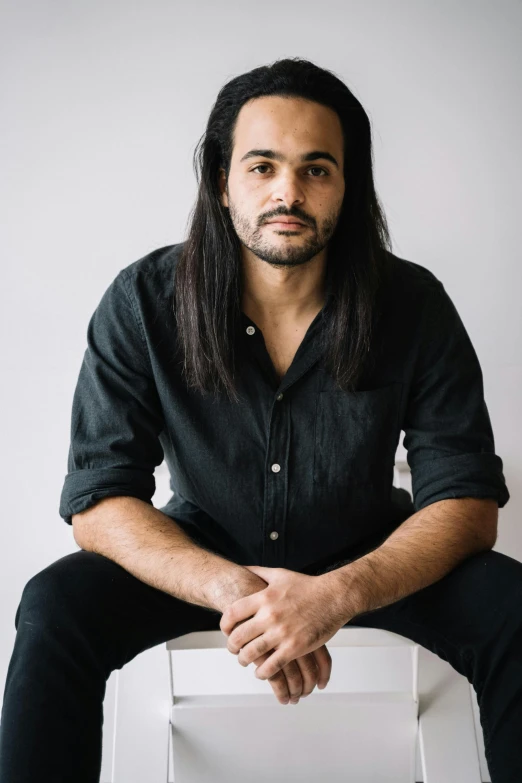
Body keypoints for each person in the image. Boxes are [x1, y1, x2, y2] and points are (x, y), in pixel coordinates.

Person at [0, 57, 519, 783]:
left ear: (349, 184)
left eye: (316, 169)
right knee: (54, 606)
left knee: (514, 607)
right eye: (262, 166)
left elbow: (465, 500)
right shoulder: (143, 301)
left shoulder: (415, 303)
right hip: (204, 549)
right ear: (221, 180)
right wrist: (240, 592)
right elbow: (99, 500)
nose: (288, 191)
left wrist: (336, 594)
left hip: (368, 547)